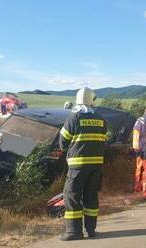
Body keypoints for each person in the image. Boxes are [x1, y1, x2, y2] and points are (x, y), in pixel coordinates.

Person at [59, 87, 107, 241]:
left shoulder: (73, 118)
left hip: (78, 166)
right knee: (91, 197)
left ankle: (73, 232)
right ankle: (91, 231)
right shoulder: (101, 119)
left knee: (71, 196)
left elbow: (62, 142)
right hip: (96, 166)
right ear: (92, 100)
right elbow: (103, 139)